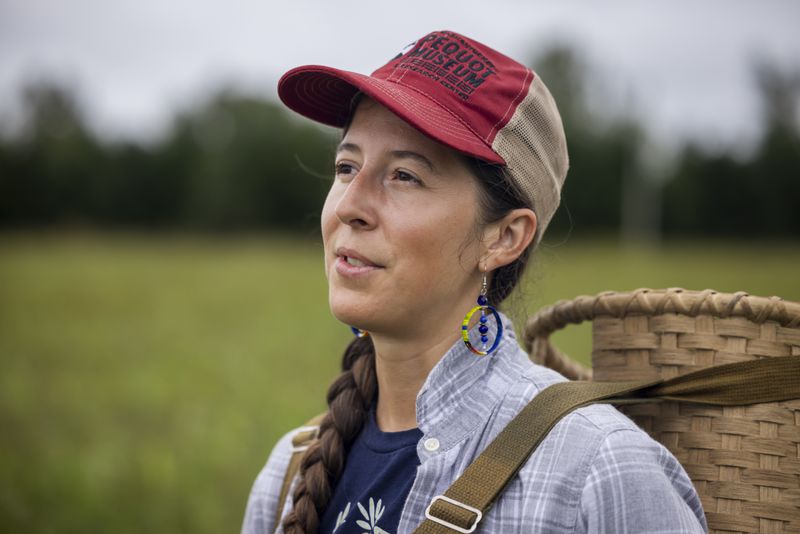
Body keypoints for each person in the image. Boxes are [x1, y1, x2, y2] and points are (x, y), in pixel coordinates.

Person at [242, 30, 707, 534]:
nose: (350, 206)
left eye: (404, 175)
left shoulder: (599, 470)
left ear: (504, 237)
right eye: (346, 166)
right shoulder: (288, 473)